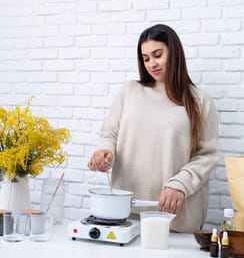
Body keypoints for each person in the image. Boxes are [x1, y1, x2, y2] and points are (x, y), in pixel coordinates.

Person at [88, 24, 219, 233]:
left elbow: (206, 155)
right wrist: (104, 151)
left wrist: (181, 184)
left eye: (158, 55)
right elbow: (110, 134)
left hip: (176, 217)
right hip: (127, 214)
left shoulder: (199, 100)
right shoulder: (130, 91)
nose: (152, 64)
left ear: (174, 53)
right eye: (146, 58)